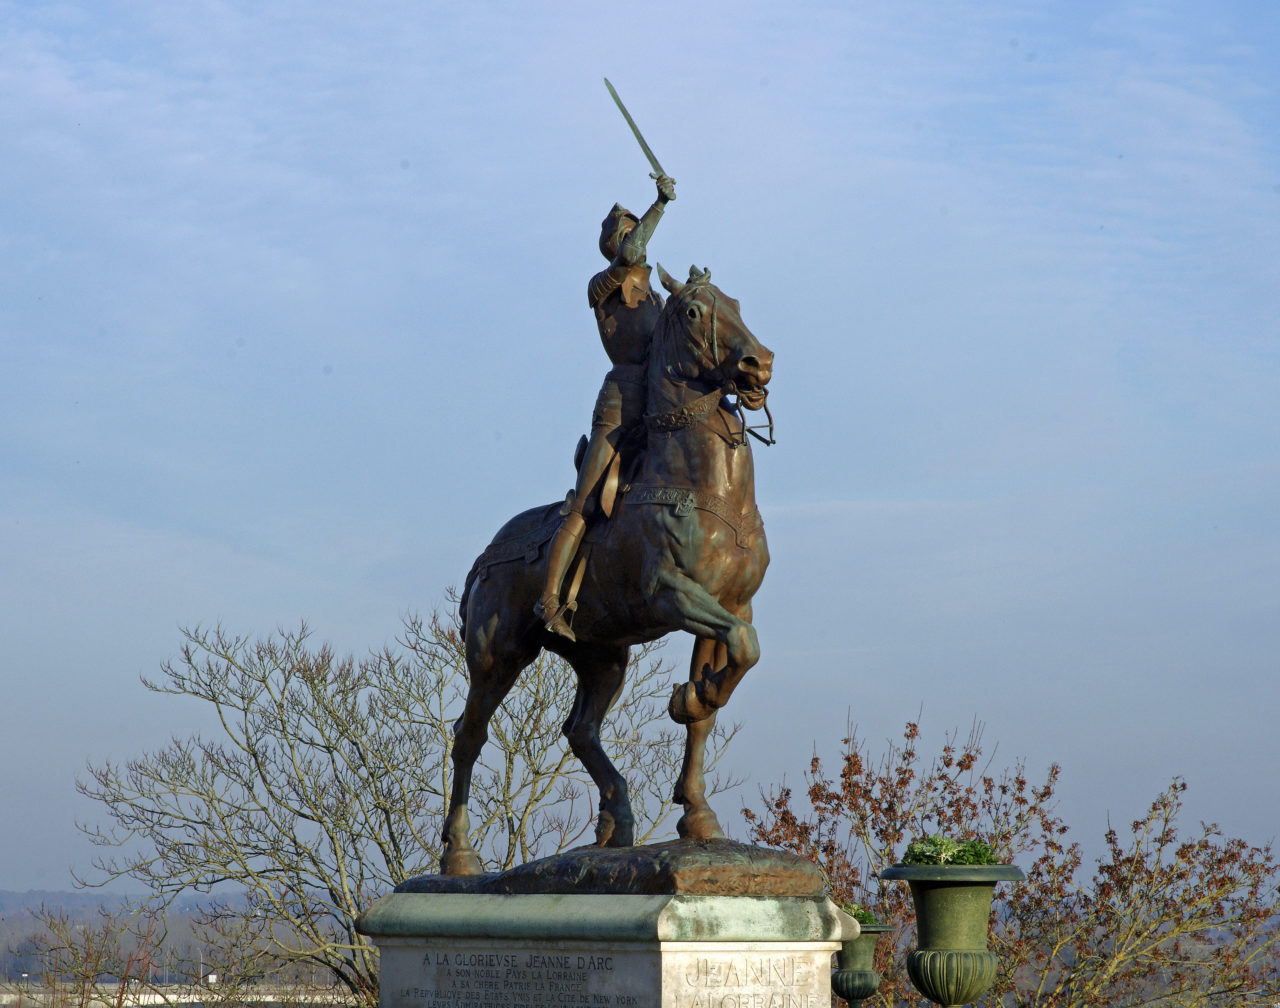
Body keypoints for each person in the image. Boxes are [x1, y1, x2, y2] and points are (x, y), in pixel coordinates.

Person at [535, 173, 676, 640]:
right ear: (617, 243)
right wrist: (658, 205)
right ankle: (550, 599)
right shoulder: (604, 284)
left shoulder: (657, 297)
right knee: (587, 500)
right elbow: (633, 254)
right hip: (619, 405)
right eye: (631, 230)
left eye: (640, 228)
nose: (639, 238)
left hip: (657, 402)